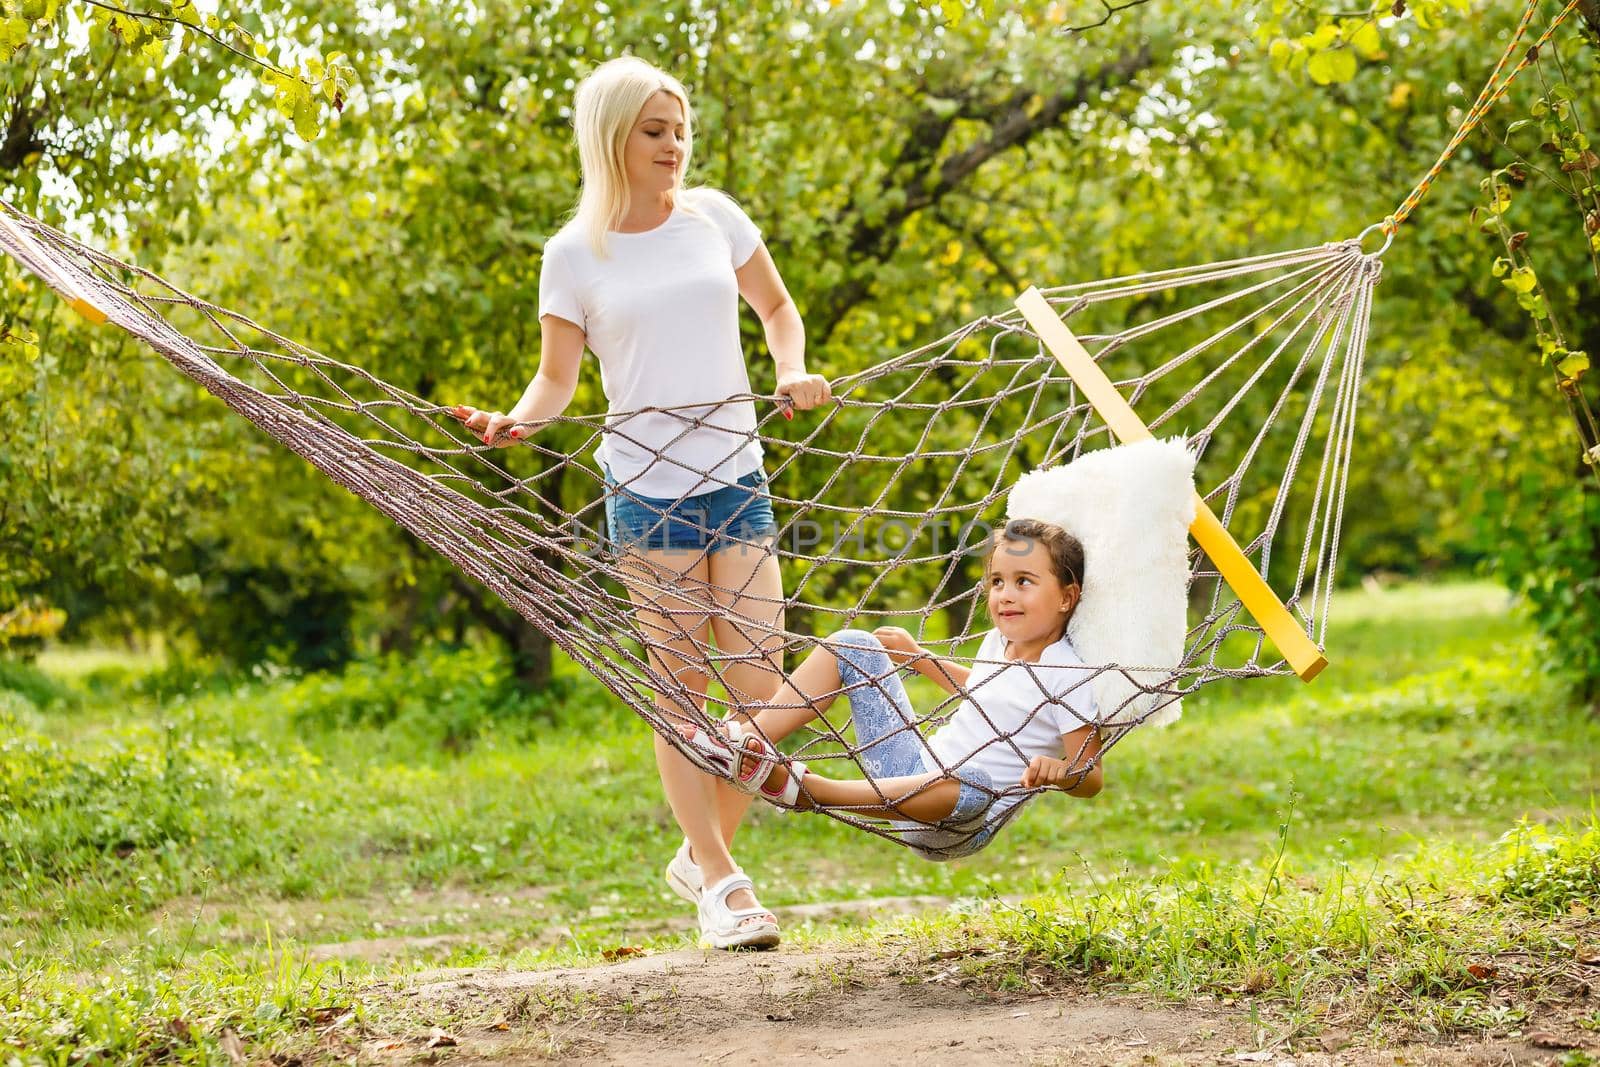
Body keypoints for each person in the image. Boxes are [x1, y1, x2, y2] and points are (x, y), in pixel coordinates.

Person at [454, 56, 831, 949]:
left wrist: (790, 370)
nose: (675, 144)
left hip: (737, 475)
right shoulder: (572, 253)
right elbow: (556, 377)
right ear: (611, 136)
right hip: (647, 491)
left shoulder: (715, 218)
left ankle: (701, 855)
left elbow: (777, 309)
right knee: (681, 692)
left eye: (681, 128)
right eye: (655, 131)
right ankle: (724, 885)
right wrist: (517, 421)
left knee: (759, 696)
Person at [682, 518, 1104, 860]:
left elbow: (1091, 776)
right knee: (854, 645)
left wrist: (1059, 773)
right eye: (997, 582)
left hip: (957, 819)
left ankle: (809, 791)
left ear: (1067, 597)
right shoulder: (999, 644)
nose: (1005, 595)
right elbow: (984, 692)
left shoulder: (1068, 675)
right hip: (910, 772)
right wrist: (919, 658)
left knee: (975, 782)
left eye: (1024, 582)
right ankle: (743, 743)